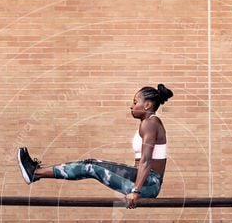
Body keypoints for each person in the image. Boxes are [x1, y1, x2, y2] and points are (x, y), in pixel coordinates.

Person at [17, 84, 173, 208]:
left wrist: (135, 191)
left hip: (148, 185)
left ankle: (36, 173)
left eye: (134, 102)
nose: (131, 106)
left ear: (146, 105)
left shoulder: (150, 123)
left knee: (91, 168)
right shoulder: (149, 122)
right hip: (142, 179)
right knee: (90, 163)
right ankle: (35, 172)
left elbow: (146, 160)